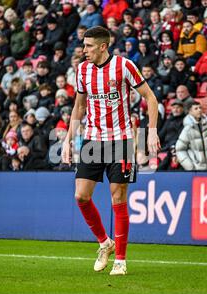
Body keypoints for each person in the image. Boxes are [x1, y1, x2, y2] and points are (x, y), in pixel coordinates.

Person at [61, 26, 160, 276]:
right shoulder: (82, 70)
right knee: (81, 197)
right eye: (84, 46)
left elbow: (150, 97)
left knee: (118, 197)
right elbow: (79, 106)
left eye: (89, 46)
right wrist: (68, 139)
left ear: (103, 46)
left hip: (122, 140)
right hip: (93, 141)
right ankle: (105, 243)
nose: (84, 51)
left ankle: (121, 261)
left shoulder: (124, 66)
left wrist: (151, 131)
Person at [175, 101, 207, 170]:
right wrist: (190, 167)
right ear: (190, 112)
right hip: (196, 170)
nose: (199, 110)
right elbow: (179, 149)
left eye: (200, 108)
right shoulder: (188, 129)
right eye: (196, 109)